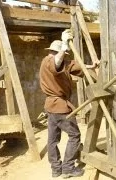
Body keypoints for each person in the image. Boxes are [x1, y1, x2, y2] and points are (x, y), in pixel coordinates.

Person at [39, 30, 91, 178]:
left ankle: (56, 170)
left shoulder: (61, 63)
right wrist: (64, 44)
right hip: (60, 107)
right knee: (75, 135)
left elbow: (73, 66)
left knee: (52, 140)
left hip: (51, 107)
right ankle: (68, 168)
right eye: (61, 53)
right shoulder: (49, 61)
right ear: (55, 52)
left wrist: (91, 66)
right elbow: (56, 63)